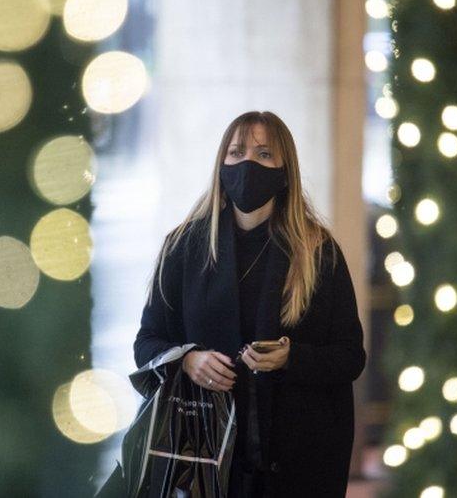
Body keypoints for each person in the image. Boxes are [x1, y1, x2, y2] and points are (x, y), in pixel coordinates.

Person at [133, 110, 367, 497]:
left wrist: (292, 358)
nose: (247, 164)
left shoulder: (318, 252)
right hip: (205, 459)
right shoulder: (184, 247)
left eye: (263, 155)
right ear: (220, 165)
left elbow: (350, 357)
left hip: (300, 461)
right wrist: (190, 360)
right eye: (236, 152)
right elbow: (147, 343)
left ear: (284, 170)